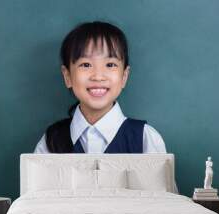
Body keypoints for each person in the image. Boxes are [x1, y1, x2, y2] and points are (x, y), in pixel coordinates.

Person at [34, 21, 167, 155]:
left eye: (110, 65)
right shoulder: (51, 141)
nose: (98, 76)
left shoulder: (146, 139)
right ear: (67, 76)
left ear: (124, 76)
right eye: (86, 65)